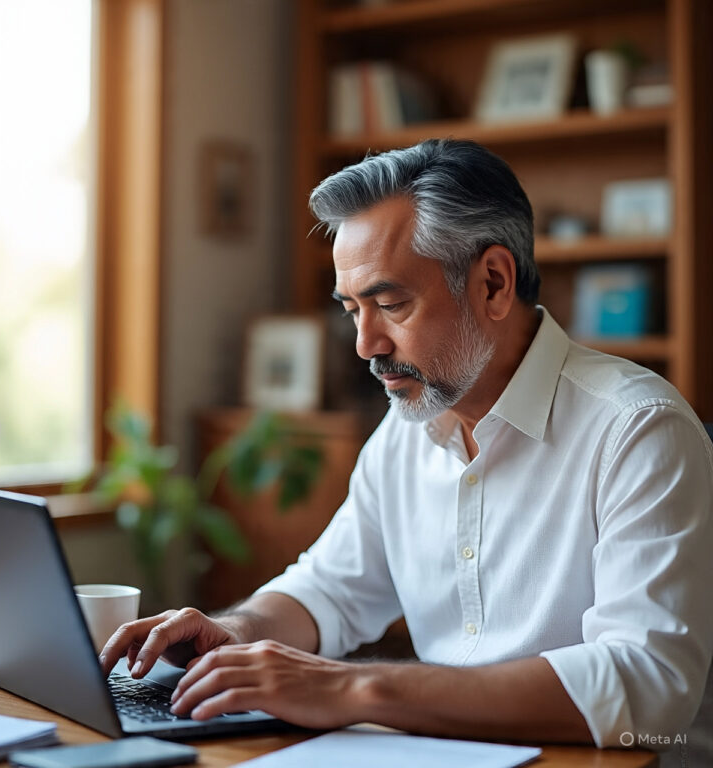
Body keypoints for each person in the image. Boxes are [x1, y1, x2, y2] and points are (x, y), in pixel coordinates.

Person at [100, 139, 713, 766]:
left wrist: (354, 687)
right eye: (352, 309)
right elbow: (331, 589)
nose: (366, 344)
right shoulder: (405, 429)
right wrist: (236, 631)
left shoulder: (638, 430)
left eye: (390, 304)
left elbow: (647, 687)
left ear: (493, 284)